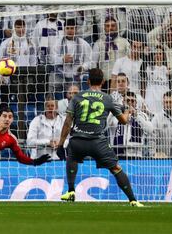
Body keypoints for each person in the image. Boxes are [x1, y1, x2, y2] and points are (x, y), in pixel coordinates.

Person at [57, 68, 144, 207]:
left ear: (88, 81)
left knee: (71, 157)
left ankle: (71, 190)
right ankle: (133, 200)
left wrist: (61, 144)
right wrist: (127, 111)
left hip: (78, 140)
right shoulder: (107, 98)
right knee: (116, 168)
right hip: (98, 142)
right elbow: (123, 121)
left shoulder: (77, 96)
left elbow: (68, 122)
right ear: (103, 82)